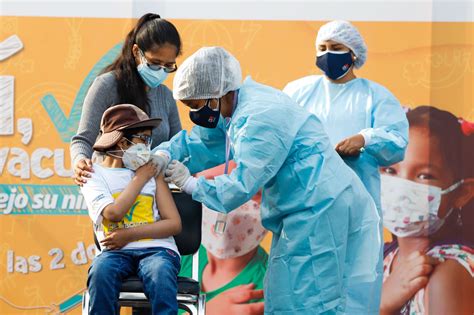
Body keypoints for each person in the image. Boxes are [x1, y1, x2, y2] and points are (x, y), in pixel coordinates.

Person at [154, 46, 382, 314]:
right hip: (303, 210)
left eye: (196, 106)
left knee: (311, 302)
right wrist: (164, 153)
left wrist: (191, 184)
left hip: (320, 207)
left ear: (216, 94)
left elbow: (241, 185)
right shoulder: (234, 108)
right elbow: (205, 141)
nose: (195, 115)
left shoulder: (259, 117)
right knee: (285, 298)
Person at [283, 20, 408, 214]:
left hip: (357, 200)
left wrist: (365, 139)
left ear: (353, 53)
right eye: (322, 48)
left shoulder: (374, 95)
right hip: (305, 200)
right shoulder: (297, 91)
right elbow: (279, 136)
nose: (327, 54)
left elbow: (397, 143)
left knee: (357, 241)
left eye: (336, 48)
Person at [80, 104, 182, 315]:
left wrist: (129, 234)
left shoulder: (153, 171)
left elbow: (174, 223)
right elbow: (112, 213)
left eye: (148, 139)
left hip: (158, 250)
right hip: (115, 253)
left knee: (160, 272)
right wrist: (141, 178)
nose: (147, 146)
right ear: (120, 140)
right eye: (142, 139)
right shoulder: (93, 174)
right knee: (101, 273)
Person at [380, 106, 474, 315]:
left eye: (424, 176)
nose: (400, 188)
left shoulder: (447, 275)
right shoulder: (383, 258)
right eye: (390, 170)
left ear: (462, 193)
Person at [71, 13, 182, 186]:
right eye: (154, 63)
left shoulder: (166, 96)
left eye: (168, 66)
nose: (160, 71)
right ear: (137, 52)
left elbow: (177, 145)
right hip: (111, 188)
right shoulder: (107, 85)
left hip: (153, 192)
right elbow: (83, 139)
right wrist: (80, 161)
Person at [179, 162, 267, 315]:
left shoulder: (273, 286)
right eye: (212, 185)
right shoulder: (176, 256)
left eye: (250, 192)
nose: (229, 203)